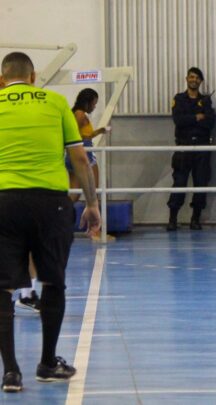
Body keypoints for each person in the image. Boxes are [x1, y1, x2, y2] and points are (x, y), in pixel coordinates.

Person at [0, 52, 101, 393]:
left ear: (3, 80)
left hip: (4, 202)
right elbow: (79, 158)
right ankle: (46, 362)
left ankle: (11, 371)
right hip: (50, 203)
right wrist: (91, 203)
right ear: (33, 78)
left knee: (2, 287)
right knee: (53, 282)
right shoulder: (56, 102)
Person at [167, 67, 216, 231]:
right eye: (191, 77)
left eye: (197, 78)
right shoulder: (179, 99)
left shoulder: (206, 100)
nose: (194, 80)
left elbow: (210, 122)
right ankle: (172, 218)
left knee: (201, 183)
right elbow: (178, 120)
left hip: (202, 146)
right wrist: (196, 116)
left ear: (201, 81)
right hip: (183, 146)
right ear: (186, 79)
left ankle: (195, 218)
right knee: (179, 182)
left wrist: (194, 118)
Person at [67, 88, 112, 241]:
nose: (94, 107)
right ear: (87, 102)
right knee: (94, 192)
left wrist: (100, 130)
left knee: (73, 194)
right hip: (84, 153)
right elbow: (72, 133)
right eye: (94, 103)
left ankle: (59, 222)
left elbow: (85, 134)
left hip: (75, 152)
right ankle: (95, 231)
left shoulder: (79, 114)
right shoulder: (79, 115)